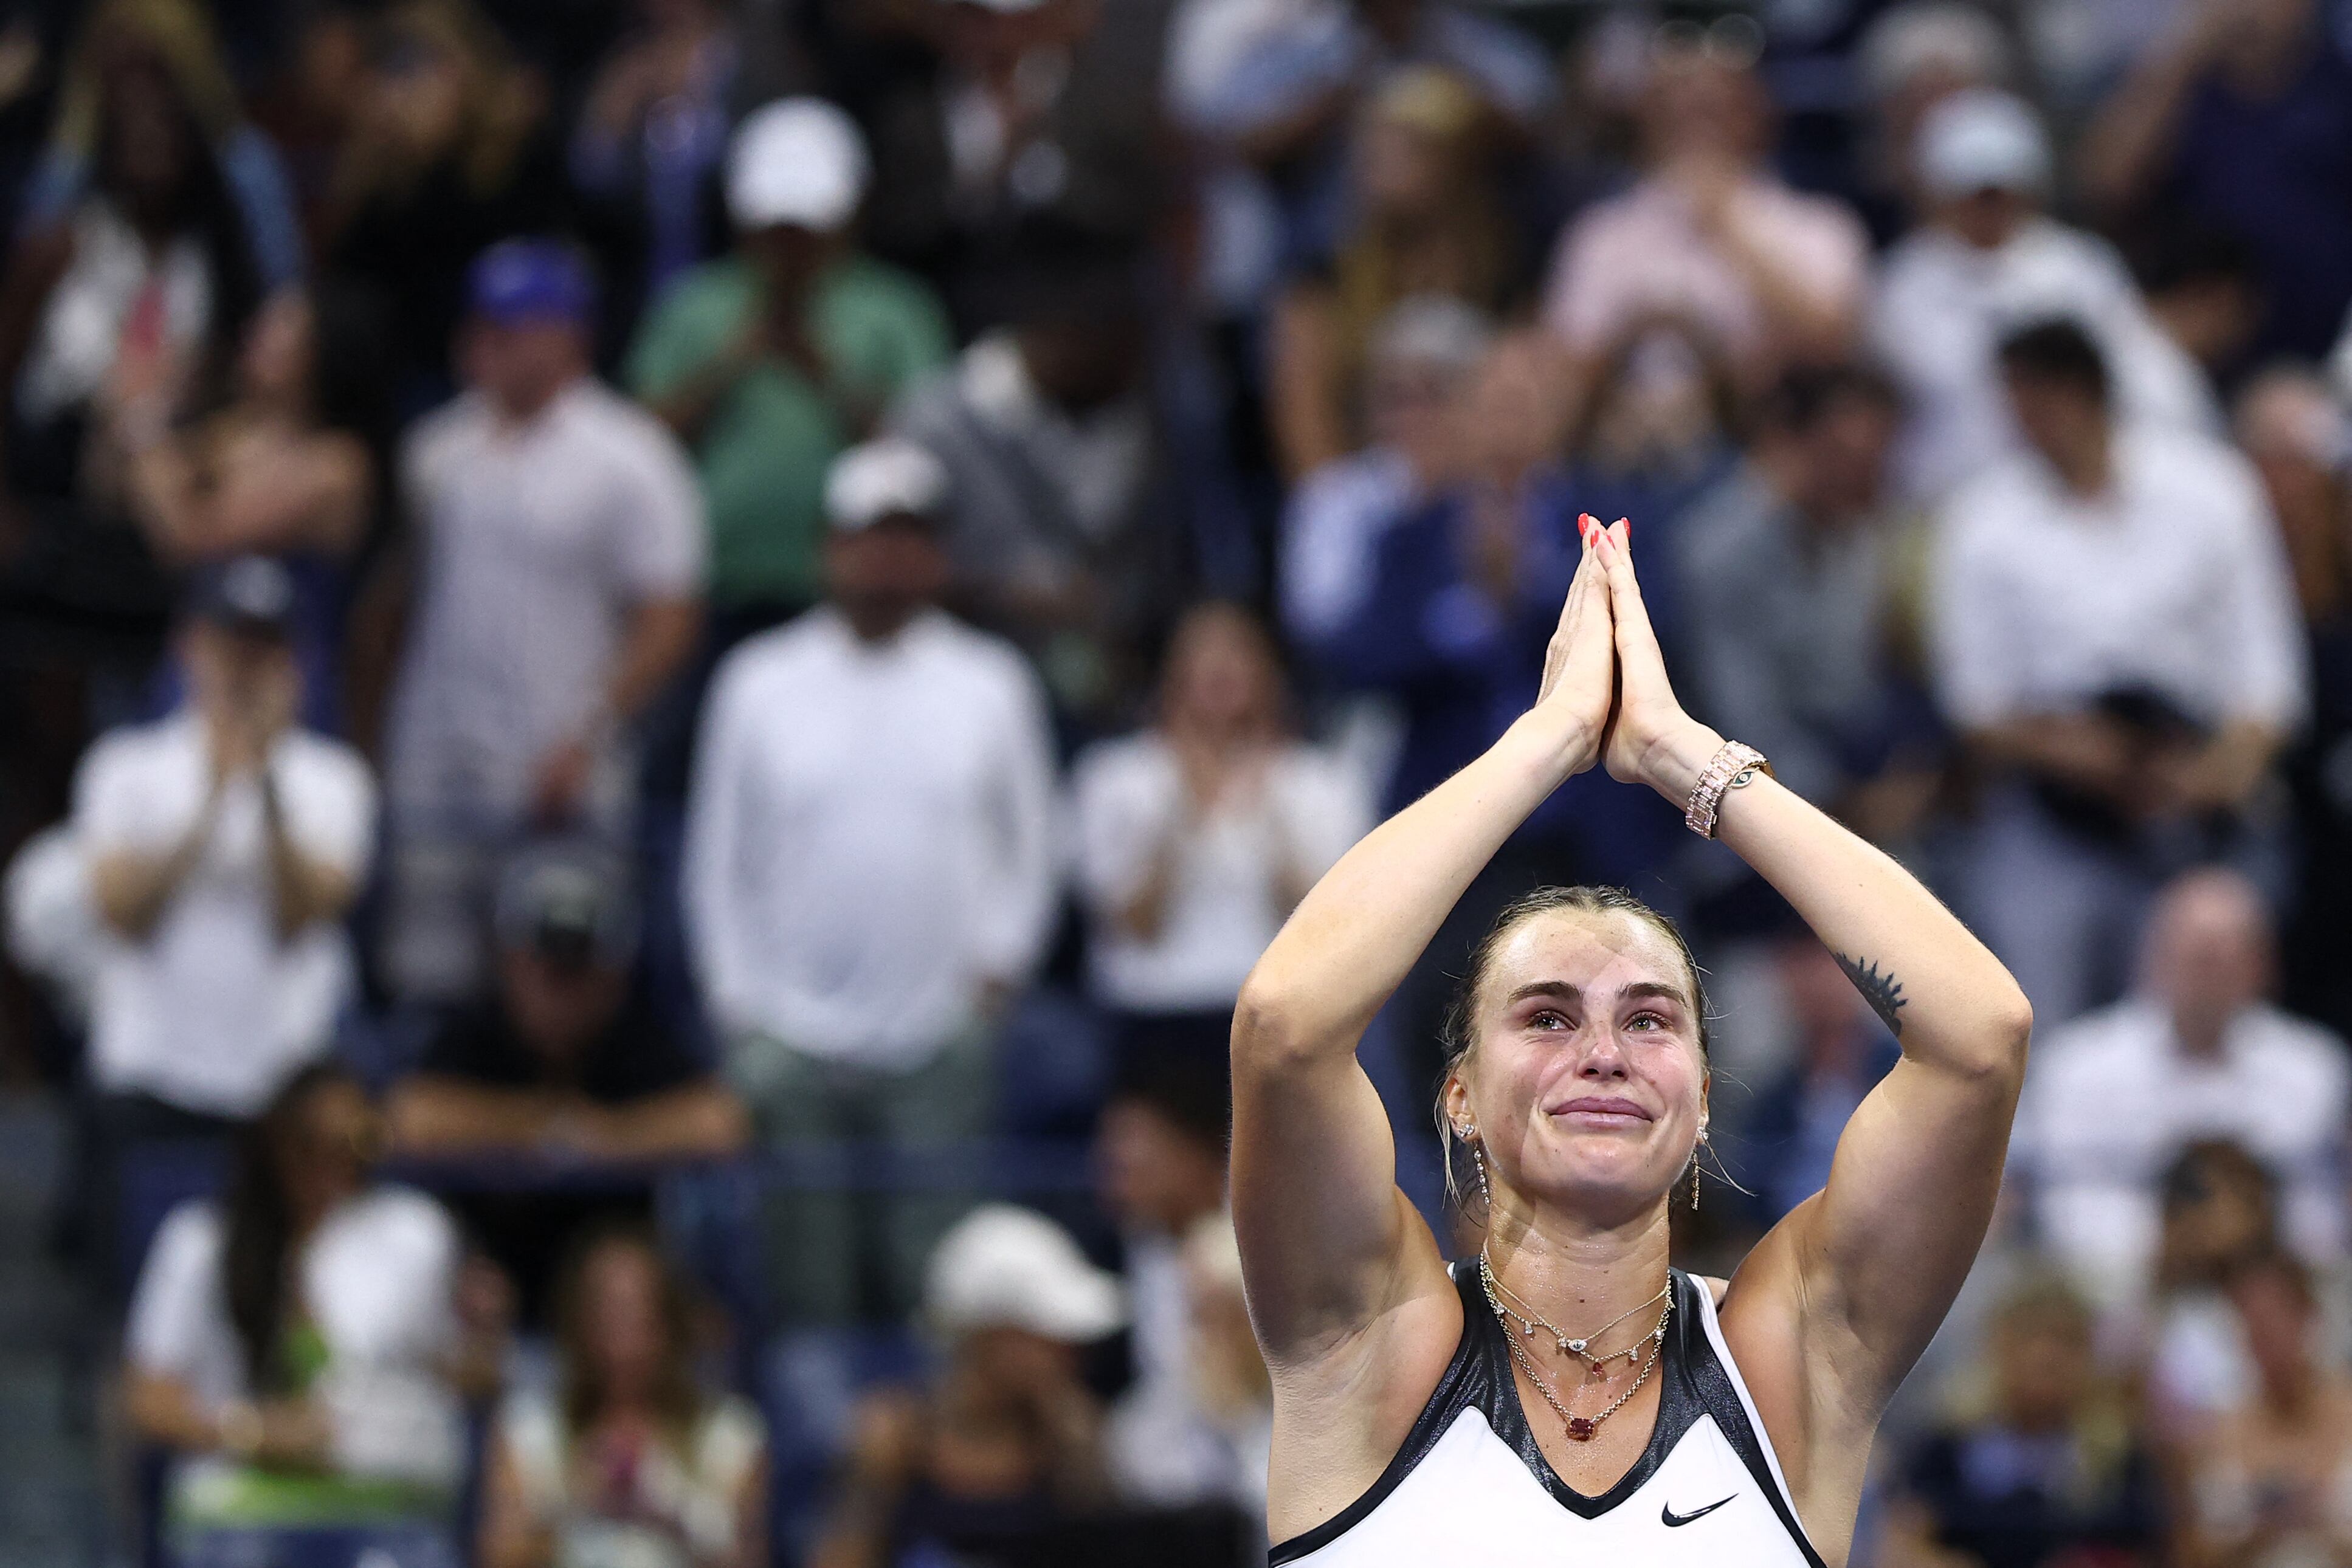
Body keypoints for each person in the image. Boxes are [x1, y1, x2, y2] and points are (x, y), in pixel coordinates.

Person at [1230, 514, 2033, 1561]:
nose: (1600, 1050)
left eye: (1647, 1018)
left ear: (1700, 1094)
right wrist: (1545, 741)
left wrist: (1678, 755)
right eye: (1545, 1015)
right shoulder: (1370, 1339)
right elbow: (1285, 1027)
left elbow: (1980, 1036)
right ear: (1458, 1092)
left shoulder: (1787, 1359)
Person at [683, 437, 1058, 1323]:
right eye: (869, 535)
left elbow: (1035, 846)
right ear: (829, 546)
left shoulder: (990, 682)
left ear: (935, 554)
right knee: (802, 1280)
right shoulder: (757, 682)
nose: (888, 556)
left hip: (937, 1028)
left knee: (934, 1281)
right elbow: (716, 862)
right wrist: (739, 1006)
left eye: (910, 536)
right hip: (787, 1029)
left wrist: (999, 970)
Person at [1929, 318, 2306, 1025]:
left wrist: (2212, 774)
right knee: (2024, 1008)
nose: (2022, 422)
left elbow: (2266, 677)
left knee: (2216, 945)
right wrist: (2090, 757)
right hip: (2053, 798)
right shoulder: (1982, 520)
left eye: (2034, 401)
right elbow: (1974, 704)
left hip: (2196, 787)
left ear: (2085, 394)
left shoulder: (2211, 491)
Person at [378, 240, 704, 1006]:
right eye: (483, 324)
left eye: (515, 326)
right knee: (431, 992)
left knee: (564, 987)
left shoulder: (629, 455)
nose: (490, 343)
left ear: (570, 337)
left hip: (562, 775)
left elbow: (669, 618)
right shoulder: (437, 451)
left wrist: (586, 732)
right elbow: (395, 608)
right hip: (439, 769)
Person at [627, 97, 951, 639]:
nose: (790, 243)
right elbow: (636, 446)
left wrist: (822, 372)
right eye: (775, 226)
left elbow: (924, 459)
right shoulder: (694, 305)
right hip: (708, 587)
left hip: (857, 599)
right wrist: (728, 366)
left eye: (806, 226)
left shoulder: (897, 310)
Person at [385, 842, 748, 1321]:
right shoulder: (477, 1032)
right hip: (483, 1299)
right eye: (546, 964)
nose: (561, 989)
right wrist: (544, 1126)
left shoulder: (635, 1036)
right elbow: (407, 1119)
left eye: (580, 967)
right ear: (509, 962)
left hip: (613, 1315)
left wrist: (600, 1136)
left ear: (614, 975)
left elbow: (720, 1122)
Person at [75, 557, 373, 1140]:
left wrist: (263, 785)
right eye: (231, 645)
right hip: (147, 1074)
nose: (244, 669)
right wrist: (211, 799)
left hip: (277, 1085)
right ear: (191, 647)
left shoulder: (335, 780)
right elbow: (121, 912)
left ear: (293, 662)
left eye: (263, 650)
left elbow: (305, 914)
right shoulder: (125, 766)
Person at [125, 1065, 486, 1542]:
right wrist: (254, 1434)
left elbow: (455, 1369)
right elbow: (148, 1399)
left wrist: (484, 1336)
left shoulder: (412, 1231)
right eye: (312, 1145)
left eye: (354, 1143)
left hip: (383, 1496)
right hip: (238, 1504)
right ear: (276, 1145)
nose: (332, 1165)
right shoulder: (201, 1242)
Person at [2012, 868, 2348, 1305]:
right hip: (2101, 1301)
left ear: (2261, 965)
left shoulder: (2314, 1069)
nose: (2205, 976)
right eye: (2194, 956)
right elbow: (2012, 1193)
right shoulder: (2075, 1066)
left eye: (2222, 957)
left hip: (2279, 1304)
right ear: (2153, 956)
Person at [1872, 89, 2215, 506]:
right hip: (1944, 504)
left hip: (2069, 498)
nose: (1988, 206)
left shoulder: (2079, 268)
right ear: (1936, 194)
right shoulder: (1902, 286)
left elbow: (2144, 370)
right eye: (1972, 191)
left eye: (1999, 189)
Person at [891, 238, 1182, 720]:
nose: (1129, 373)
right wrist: (1003, 593)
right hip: (961, 682)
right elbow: (888, 564)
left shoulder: (1129, 417)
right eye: (1115, 355)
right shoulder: (939, 422)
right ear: (1065, 340)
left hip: (1092, 690)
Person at [1074, 602, 1370, 1068]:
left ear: (1269, 673)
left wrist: (1266, 802)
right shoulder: (1116, 776)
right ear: (1170, 673)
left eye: (1236, 652)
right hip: (1152, 1011)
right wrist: (1181, 803)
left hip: (1279, 1019)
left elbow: (1328, 931)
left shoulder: (1318, 782)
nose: (1219, 669)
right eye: (1201, 653)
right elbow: (1135, 923)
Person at [1677, 364, 1939, 844]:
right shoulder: (1721, 555)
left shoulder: (1862, 535)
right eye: (1844, 456)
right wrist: (1850, 811)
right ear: (1791, 446)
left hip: (1862, 770)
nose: (1862, 476)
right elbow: (1741, 723)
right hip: (1739, 808)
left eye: (1874, 460)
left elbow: (1874, 683)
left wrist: (1913, 771)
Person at [1541, 16, 1870, 397]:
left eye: (1712, 111)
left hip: (1765, 435)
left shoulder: (1819, 224)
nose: (1694, 128)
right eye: (1675, 112)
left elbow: (1836, 348)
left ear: (1756, 115)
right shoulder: (1599, 233)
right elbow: (1563, 371)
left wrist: (1725, 228)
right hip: (1622, 439)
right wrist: (1650, 329)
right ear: (1647, 122)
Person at [112, 285, 390, 734]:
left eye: (280, 325)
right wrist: (146, 396)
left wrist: (143, 427)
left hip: (286, 683)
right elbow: (116, 485)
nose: (256, 333)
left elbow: (189, 535)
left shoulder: (339, 465)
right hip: (201, 672)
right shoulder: (231, 435)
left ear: (320, 350)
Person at [810, 1204, 1124, 1568]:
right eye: (1052, 1338)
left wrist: (1082, 1462)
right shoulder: (891, 1439)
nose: (1071, 1356)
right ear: (990, 1338)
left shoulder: (1072, 1436)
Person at [1265, 64, 1529, 483]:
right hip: (1366, 494)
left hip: (1480, 489)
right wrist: (1348, 509)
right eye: (1374, 146)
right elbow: (1307, 428)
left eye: (1409, 145)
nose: (1383, 162)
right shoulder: (1323, 281)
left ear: (1455, 159)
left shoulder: (1504, 273)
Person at [316, 0, 565, 408]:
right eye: (390, 71)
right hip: (403, 377)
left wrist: (436, 166)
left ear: (464, 67)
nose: (404, 89)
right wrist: (392, 166)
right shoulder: (376, 170)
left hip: (502, 366)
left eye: (418, 66)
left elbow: (508, 261)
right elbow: (354, 287)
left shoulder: (518, 156)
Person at [2077, 0, 2352, 363]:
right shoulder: (2178, 85)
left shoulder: (2336, 84)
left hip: (2327, 357)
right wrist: (2185, 50)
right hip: (2196, 361)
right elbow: (2107, 185)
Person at [478, 1226, 768, 1568]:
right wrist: (578, 1501)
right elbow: (497, 1558)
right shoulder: (526, 1428)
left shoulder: (733, 1434)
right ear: (577, 1324)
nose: (623, 1339)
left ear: (672, 1325)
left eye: (640, 1317)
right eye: (607, 1316)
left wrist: (671, 1517)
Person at [1877, 1275, 2164, 1568]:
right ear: (1996, 1346)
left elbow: (2145, 1551)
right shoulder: (1948, 1445)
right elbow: (1901, 1542)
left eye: (2065, 1340)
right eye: (2029, 1336)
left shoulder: (2115, 1460)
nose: (2045, 1355)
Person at [1278, 294, 1491, 654]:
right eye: (1393, 398)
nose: (1410, 416)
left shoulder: (1502, 493)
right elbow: (1320, 625)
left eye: (1431, 394)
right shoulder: (1334, 498)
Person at [2181, 1251, 2352, 1567]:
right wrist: (2261, 1529)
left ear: (2309, 1317)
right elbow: (2195, 1554)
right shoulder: (2219, 1428)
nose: (2264, 1337)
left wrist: (2319, 1517)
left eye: (2274, 1320)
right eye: (2251, 1323)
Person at [1728, 937, 1902, 1229]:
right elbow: (1749, 1200)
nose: (1819, 982)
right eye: (1801, 962)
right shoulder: (1771, 1103)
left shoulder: (1904, 1071)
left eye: (1832, 962)